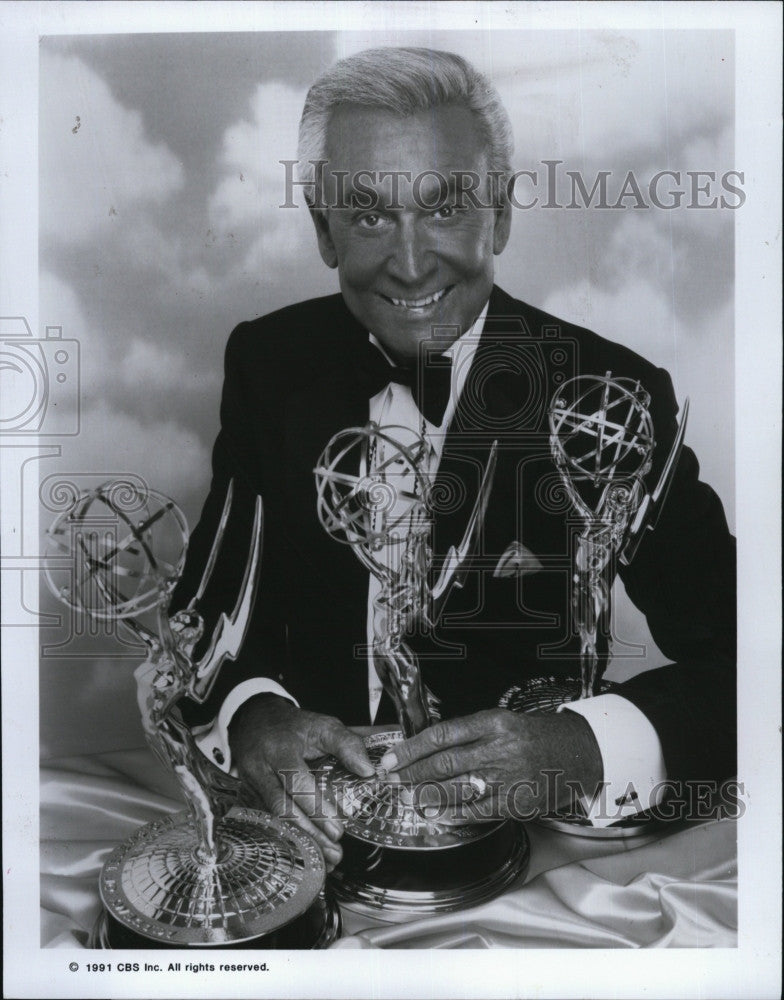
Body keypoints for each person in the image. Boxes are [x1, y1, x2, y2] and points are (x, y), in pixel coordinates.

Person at [173, 47, 736, 871]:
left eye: (444, 210)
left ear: (501, 216)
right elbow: (204, 614)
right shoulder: (268, 363)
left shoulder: (611, 396)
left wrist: (583, 748)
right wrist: (254, 713)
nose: (408, 262)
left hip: (540, 868)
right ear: (321, 230)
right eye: (367, 217)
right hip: (311, 858)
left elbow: (757, 660)